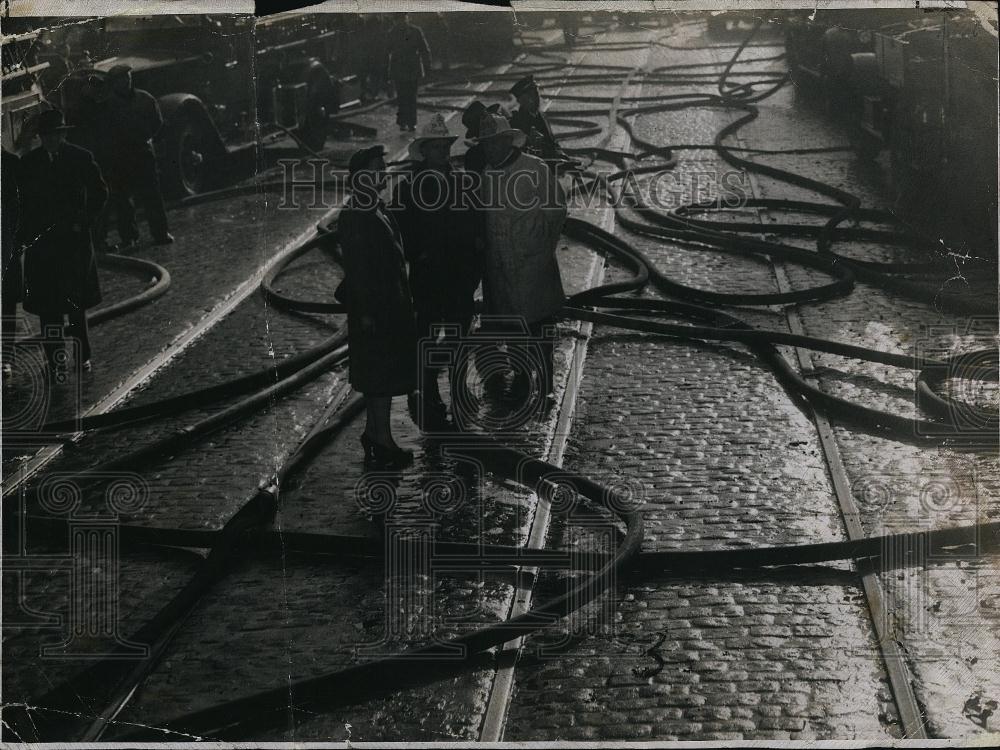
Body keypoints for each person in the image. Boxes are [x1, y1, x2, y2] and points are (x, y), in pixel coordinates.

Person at [391, 114, 481, 430]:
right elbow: (398, 232)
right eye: (436, 147)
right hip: (428, 276)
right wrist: (421, 253)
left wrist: (473, 270)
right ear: (424, 150)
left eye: (445, 146)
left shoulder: (463, 182)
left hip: (458, 275)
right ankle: (427, 392)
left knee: (458, 336)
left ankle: (459, 391)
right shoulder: (408, 188)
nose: (442, 151)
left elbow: (475, 226)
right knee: (428, 335)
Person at [472, 113, 567, 411]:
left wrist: (541, 243)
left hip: (533, 263)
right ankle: (523, 376)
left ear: (506, 140)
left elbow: (557, 209)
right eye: (484, 144)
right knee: (513, 325)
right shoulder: (487, 174)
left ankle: (547, 381)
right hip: (501, 265)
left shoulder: (534, 168)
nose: (489, 149)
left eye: (493, 143)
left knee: (540, 324)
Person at [337, 145, 417, 469]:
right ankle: (381, 440)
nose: (383, 174)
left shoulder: (375, 209)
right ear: (360, 178)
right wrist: (368, 313)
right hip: (374, 311)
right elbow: (359, 270)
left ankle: (375, 433)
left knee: (381, 377)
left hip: (388, 307)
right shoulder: (357, 215)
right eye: (376, 170)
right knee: (379, 379)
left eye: (382, 169)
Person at [17, 109, 108, 375]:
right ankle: (55, 361)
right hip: (43, 247)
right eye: (47, 136)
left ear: (63, 134)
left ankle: (82, 357)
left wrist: (85, 220)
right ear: (41, 138)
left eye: (56, 135)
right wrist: (24, 234)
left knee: (75, 305)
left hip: (73, 243)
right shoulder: (29, 164)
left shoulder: (80, 157)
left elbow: (100, 192)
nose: (52, 141)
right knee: (48, 310)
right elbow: (20, 203)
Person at [105, 65, 173, 248]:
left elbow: (157, 123)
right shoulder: (109, 105)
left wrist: (147, 137)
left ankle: (160, 232)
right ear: (114, 83)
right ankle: (129, 238)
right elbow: (105, 131)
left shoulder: (145, 99)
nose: (126, 81)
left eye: (127, 77)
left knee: (152, 195)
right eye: (121, 79)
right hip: (120, 156)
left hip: (143, 151)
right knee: (123, 200)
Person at [386, 13, 431, 133]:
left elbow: (424, 49)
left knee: (409, 96)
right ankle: (405, 122)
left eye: (403, 18)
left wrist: (427, 66)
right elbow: (386, 51)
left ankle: (409, 122)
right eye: (400, 18)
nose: (402, 21)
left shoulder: (414, 31)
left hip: (409, 68)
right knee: (403, 97)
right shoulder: (395, 33)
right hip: (403, 68)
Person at [509, 74, 565, 163]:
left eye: (536, 94)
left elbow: (553, 142)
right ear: (520, 101)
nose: (535, 98)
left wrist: (562, 155)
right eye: (530, 96)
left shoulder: (542, 116)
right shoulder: (517, 122)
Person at [2, 148, 22, 385]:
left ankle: (5, 358)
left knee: (6, 303)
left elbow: (21, 206)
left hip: (5, 243)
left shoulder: (11, 164)